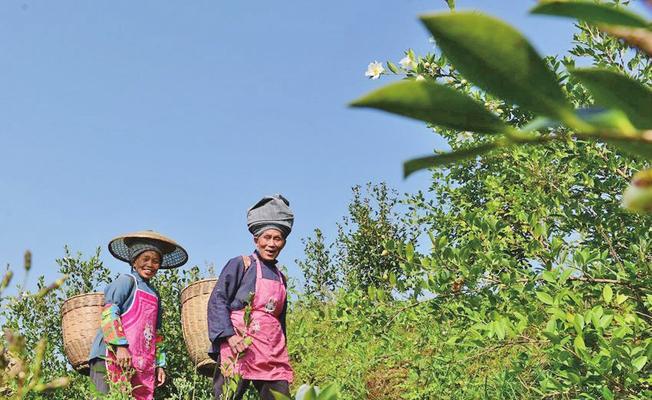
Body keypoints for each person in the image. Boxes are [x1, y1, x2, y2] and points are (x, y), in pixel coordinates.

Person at [208, 194, 294, 400]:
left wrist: (282, 348)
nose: (271, 244)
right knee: (228, 396)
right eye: (267, 237)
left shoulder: (282, 278)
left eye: (277, 238)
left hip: (271, 352)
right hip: (239, 345)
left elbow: (279, 321)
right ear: (256, 239)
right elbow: (218, 301)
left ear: (283, 242)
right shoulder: (241, 264)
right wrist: (230, 336)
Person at [88, 230, 188, 400]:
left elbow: (156, 334)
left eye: (156, 261)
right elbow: (109, 312)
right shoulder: (126, 281)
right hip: (109, 355)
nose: (150, 264)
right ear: (134, 261)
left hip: (138, 362)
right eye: (145, 259)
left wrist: (159, 364)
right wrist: (120, 346)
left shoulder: (155, 295)